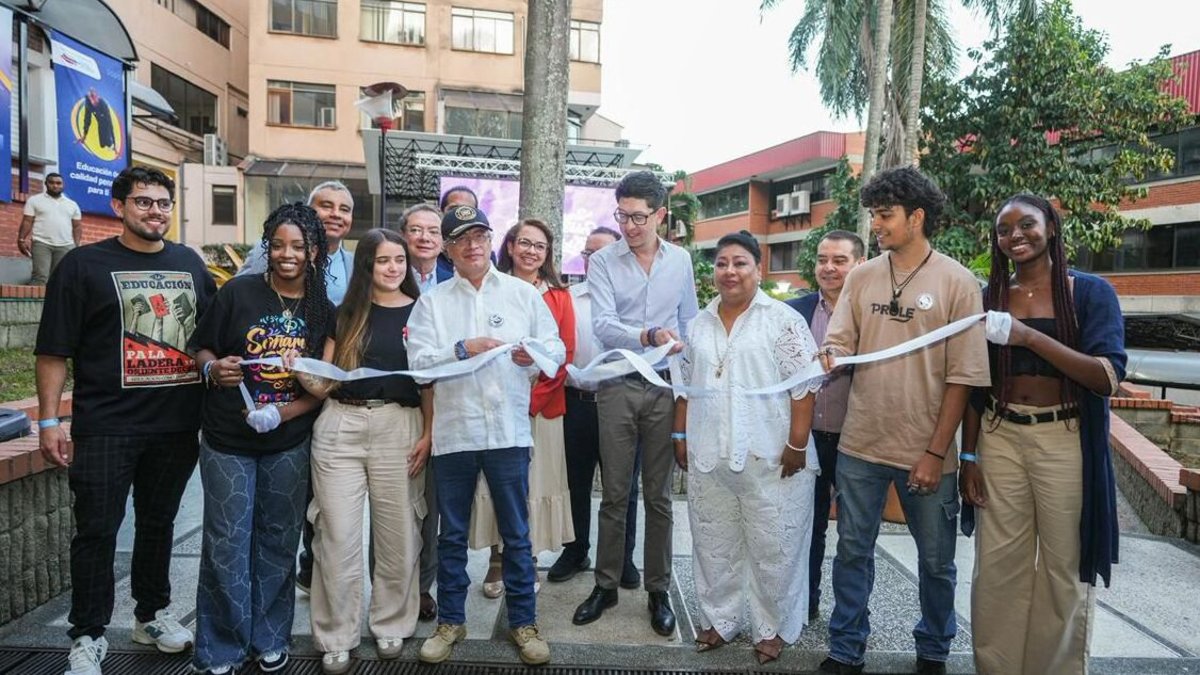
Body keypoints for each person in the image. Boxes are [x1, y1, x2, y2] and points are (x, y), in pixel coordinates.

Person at [34, 166, 213, 675]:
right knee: (97, 531)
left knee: (159, 524)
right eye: (143, 202)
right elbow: (52, 350)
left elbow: (208, 336)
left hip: (176, 426)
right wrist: (49, 421)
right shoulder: (82, 266)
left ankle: (151, 614)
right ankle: (88, 633)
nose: (155, 211)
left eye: (163, 202)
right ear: (119, 207)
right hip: (106, 424)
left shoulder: (189, 263)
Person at [817, 167, 990, 675]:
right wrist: (831, 351)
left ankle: (934, 649)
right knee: (851, 554)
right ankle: (846, 649)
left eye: (885, 214)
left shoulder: (958, 282)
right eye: (873, 214)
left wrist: (937, 453)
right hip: (860, 446)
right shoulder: (862, 276)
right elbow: (841, 338)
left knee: (937, 563)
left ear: (916, 217)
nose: (876, 224)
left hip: (925, 450)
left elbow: (964, 378)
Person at [962, 194, 1126, 675]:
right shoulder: (990, 298)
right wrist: (968, 458)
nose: (1015, 235)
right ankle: (996, 668)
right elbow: (975, 385)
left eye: (1027, 224)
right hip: (1000, 436)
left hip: (1064, 438)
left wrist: (1028, 336)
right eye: (1003, 229)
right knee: (997, 567)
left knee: (1062, 567)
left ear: (1051, 227)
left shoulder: (1091, 294)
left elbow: (1105, 376)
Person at [406, 205, 565, 666]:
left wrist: (532, 358)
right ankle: (451, 621)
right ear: (448, 249)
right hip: (455, 433)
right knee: (451, 535)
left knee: (517, 534)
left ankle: (524, 623)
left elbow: (553, 346)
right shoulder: (432, 302)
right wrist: (462, 348)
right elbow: (418, 363)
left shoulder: (522, 294)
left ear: (492, 240)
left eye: (480, 235)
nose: (473, 245)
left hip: (508, 431)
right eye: (461, 239)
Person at [189, 203, 333, 675]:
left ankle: (270, 638)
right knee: (227, 539)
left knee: (278, 539)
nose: (287, 254)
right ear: (267, 247)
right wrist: (214, 368)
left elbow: (325, 388)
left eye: (298, 245)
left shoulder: (322, 310)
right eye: (278, 245)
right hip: (227, 438)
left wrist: (283, 412)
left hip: (288, 441)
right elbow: (201, 346)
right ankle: (221, 646)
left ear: (314, 250)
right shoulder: (238, 292)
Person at [675, 230, 821, 664]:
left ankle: (771, 628)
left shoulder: (782, 320)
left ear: (759, 269)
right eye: (722, 263)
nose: (730, 271)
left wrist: (796, 444)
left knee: (774, 546)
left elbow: (805, 386)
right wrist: (680, 435)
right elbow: (684, 386)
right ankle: (719, 620)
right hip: (709, 452)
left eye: (740, 263)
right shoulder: (698, 324)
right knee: (712, 543)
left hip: (773, 455)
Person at [293, 228, 432, 675]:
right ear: (366, 266)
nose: (392, 268)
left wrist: (428, 434)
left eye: (399, 260)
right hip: (340, 426)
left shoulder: (423, 312)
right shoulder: (346, 312)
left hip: (400, 426)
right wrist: (297, 369)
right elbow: (328, 380)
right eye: (382, 261)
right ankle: (336, 634)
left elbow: (430, 381)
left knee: (399, 533)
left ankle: (391, 621)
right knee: (335, 534)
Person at [574, 170, 699, 637]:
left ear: (660, 215)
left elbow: (688, 318)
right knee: (615, 493)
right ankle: (605, 584)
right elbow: (603, 324)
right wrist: (646, 335)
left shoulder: (681, 261)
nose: (628, 226)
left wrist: (683, 353)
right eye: (621, 215)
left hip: (665, 386)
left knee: (660, 496)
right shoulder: (604, 261)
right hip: (618, 384)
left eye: (638, 217)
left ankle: (658, 589)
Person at [469, 221, 576, 596]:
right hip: (495, 403)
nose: (532, 252)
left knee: (533, 484)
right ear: (510, 246)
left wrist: (531, 402)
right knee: (497, 481)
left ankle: (525, 558)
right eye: (525, 243)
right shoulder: (490, 288)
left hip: (542, 408)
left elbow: (564, 354)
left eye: (541, 247)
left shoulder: (560, 296)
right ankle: (498, 559)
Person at [547, 226, 642, 587]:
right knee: (575, 484)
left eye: (601, 252)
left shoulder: (634, 304)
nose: (593, 260)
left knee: (624, 489)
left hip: (624, 405)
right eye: (588, 253)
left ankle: (621, 558)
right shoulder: (568, 298)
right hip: (578, 403)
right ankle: (576, 549)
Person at [786, 230, 865, 621]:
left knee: (854, 536)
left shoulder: (871, 315)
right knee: (806, 527)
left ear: (859, 265)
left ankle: (850, 616)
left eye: (839, 260)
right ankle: (806, 602)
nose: (828, 268)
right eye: (822, 259)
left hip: (856, 440)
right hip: (806, 439)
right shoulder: (792, 312)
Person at [398, 202, 454, 621]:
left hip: (444, 405)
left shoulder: (454, 282)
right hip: (398, 403)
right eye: (415, 230)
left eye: (433, 231)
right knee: (397, 507)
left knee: (432, 508)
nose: (424, 238)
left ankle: (422, 588)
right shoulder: (385, 277)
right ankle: (393, 588)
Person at [238, 180, 354, 306]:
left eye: (344, 209)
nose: (336, 214)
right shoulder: (270, 251)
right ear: (309, 211)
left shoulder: (353, 264)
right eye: (326, 206)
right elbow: (238, 297)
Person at [18, 172, 83, 285]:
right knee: (40, 277)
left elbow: (77, 226)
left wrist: (76, 245)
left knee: (59, 279)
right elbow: (27, 221)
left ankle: (55, 303)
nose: (55, 185)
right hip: (41, 243)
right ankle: (38, 303)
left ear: (63, 185)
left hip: (65, 245)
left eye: (58, 183)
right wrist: (21, 239)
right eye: (51, 183)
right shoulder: (34, 200)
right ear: (46, 184)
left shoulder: (72, 204)